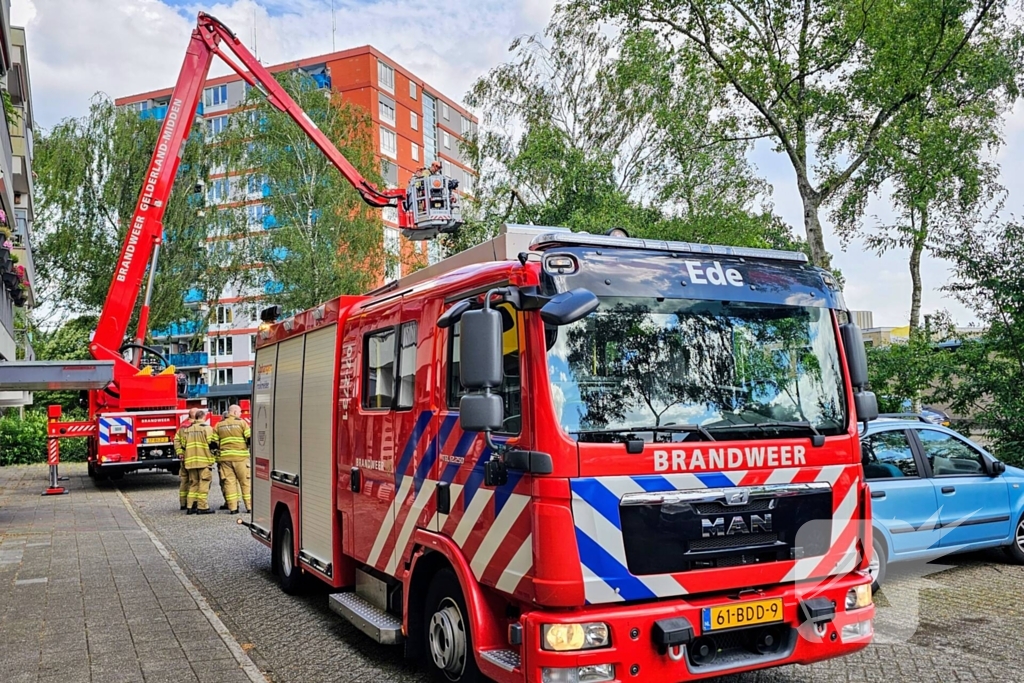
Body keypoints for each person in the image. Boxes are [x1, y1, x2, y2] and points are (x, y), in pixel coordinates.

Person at [213, 404, 252, 514]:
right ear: (235, 412)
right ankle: (249, 507)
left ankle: (233, 508)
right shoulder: (242, 423)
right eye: (239, 412)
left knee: (229, 483)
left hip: (225, 459)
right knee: (245, 482)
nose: (240, 414)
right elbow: (250, 439)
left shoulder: (219, 425)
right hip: (241, 458)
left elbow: (213, 443)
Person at [180, 409, 217, 515]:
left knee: (193, 484)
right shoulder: (207, 428)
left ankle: (190, 507)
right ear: (204, 417)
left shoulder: (188, 429)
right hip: (203, 461)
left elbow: (183, 445)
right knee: (204, 483)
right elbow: (212, 444)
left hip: (190, 462)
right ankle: (202, 507)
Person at [174, 408, 198, 511]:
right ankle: (192, 504)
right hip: (194, 458)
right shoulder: (197, 427)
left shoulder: (182, 426)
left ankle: (183, 503)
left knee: (184, 480)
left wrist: (180, 453)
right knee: (194, 481)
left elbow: (176, 440)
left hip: (184, 458)